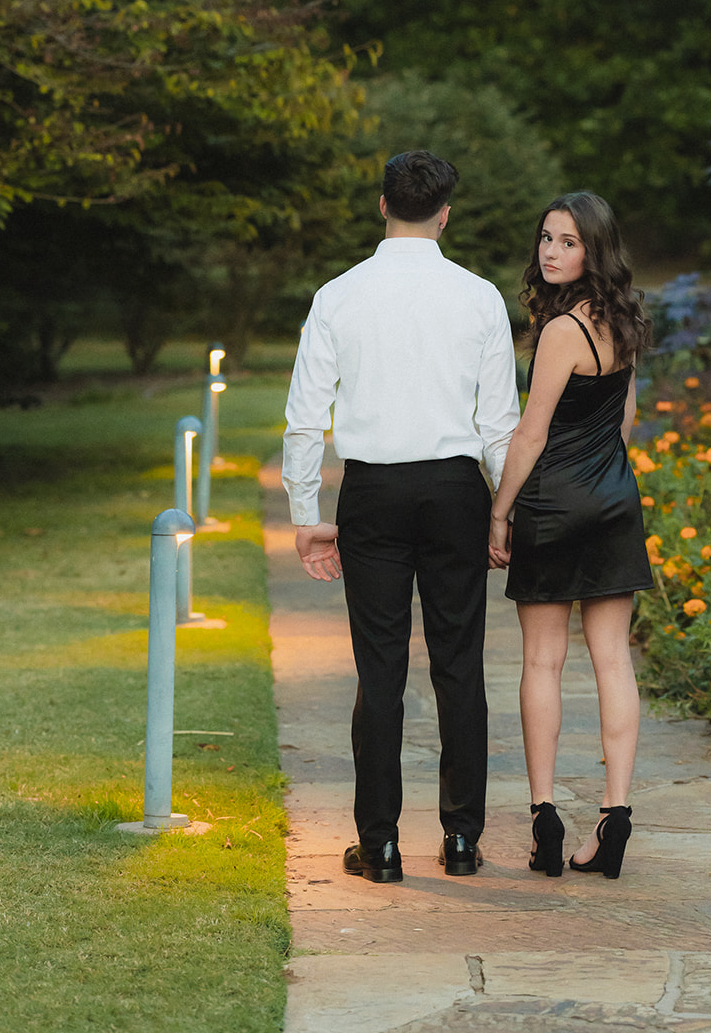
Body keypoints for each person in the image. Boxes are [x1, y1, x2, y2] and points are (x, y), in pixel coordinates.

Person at [282, 150, 520, 884]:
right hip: (455, 491)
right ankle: (460, 841)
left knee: (379, 671)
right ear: (445, 212)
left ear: (381, 205)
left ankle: (379, 843)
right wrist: (502, 511)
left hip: (373, 494)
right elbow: (498, 423)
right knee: (459, 667)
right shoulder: (478, 296)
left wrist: (304, 512)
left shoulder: (338, 294)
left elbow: (303, 417)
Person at [488, 191, 651, 880]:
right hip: (614, 498)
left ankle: (544, 817)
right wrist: (603, 478)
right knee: (612, 657)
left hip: (553, 504)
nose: (551, 252)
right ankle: (614, 818)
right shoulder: (625, 322)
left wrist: (499, 512)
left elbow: (529, 433)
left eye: (567, 242)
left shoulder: (560, 332)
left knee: (541, 663)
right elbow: (624, 419)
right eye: (546, 239)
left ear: (594, 250)